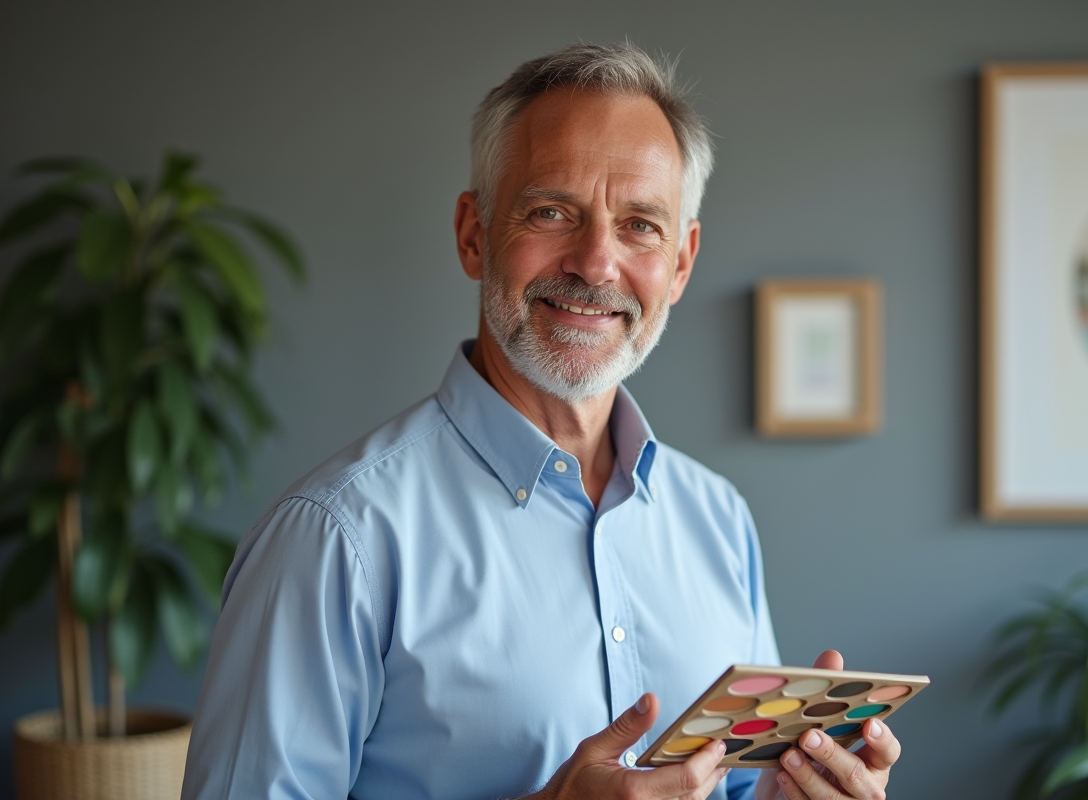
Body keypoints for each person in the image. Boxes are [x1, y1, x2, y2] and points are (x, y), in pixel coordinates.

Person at [181, 42, 903, 800]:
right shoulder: (335, 539)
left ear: (681, 263)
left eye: (640, 226)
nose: (596, 264)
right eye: (552, 212)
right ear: (473, 234)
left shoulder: (718, 519)